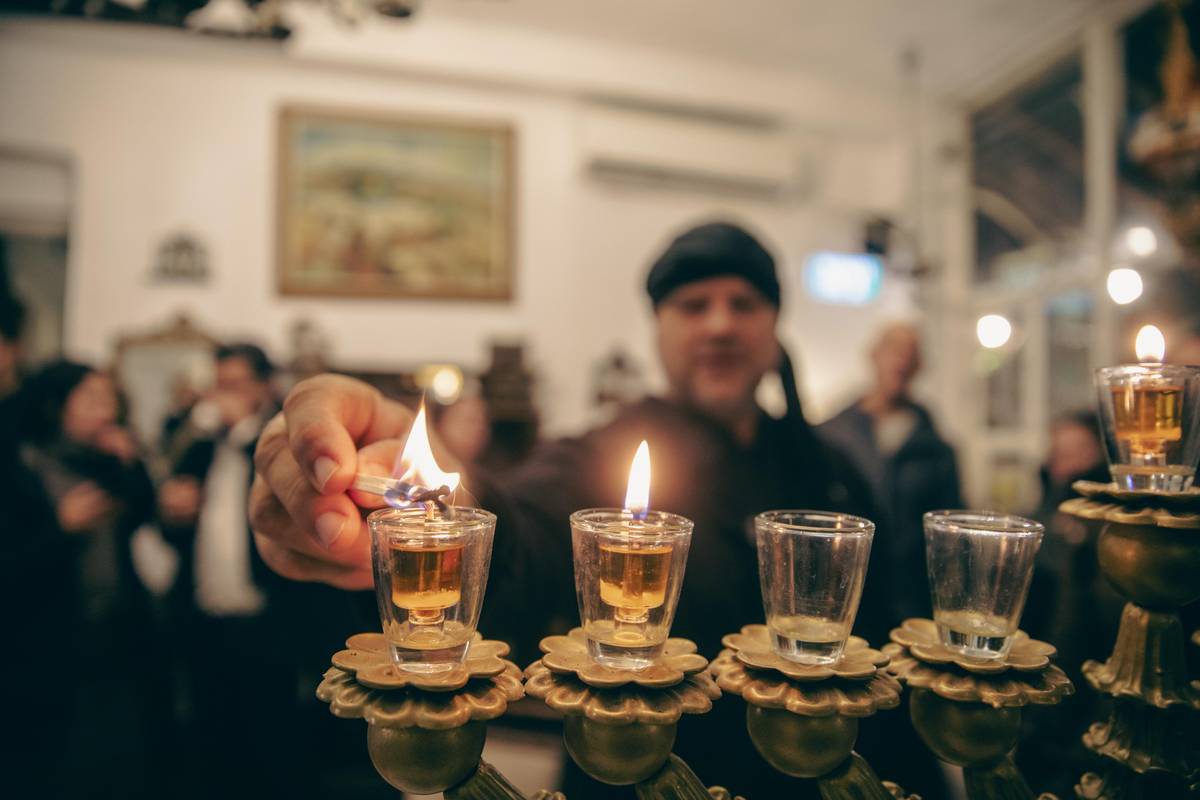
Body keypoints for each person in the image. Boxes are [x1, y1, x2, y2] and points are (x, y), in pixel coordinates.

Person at [248, 221, 943, 798]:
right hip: (628, 772)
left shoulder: (835, 472)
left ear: (775, 323)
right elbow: (519, 533)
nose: (720, 324)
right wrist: (438, 496)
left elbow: (883, 647)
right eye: (693, 304)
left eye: (743, 302)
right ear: (657, 326)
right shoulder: (597, 456)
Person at [2, 361, 164, 797]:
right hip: (40, 646)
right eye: (91, 399)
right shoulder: (20, 463)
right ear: (55, 406)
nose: (105, 411)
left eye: (110, 398)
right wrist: (60, 528)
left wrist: (130, 462)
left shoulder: (102, 462)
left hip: (114, 632)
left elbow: (143, 513)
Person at [158, 343, 310, 799]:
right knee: (210, 741)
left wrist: (243, 424)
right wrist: (173, 513)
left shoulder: (278, 444)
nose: (222, 396)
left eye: (235, 385)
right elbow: (173, 527)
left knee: (269, 747)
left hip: (267, 623)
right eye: (218, 385)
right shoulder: (200, 446)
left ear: (262, 386)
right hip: (204, 618)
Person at [819, 321, 963, 621]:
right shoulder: (832, 435)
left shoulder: (936, 449)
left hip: (912, 601)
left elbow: (951, 535)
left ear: (919, 366)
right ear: (874, 355)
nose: (901, 360)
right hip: (839, 596)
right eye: (894, 349)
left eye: (910, 353)